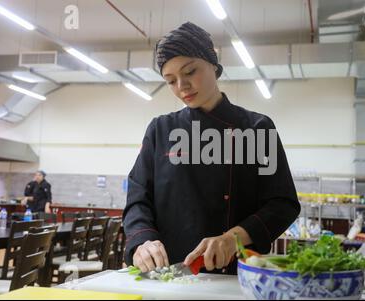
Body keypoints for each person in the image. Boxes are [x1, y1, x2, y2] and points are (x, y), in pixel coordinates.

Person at [123, 22, 300, 275]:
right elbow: (138, 197)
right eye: (170, 80)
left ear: (213, 65)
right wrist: (142, 242)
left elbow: (283, 204)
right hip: (169, 275)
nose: (181, 86)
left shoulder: (257, 128)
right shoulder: (160, 130)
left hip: (237, 275)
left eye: (190, 71)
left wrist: (232, 238)